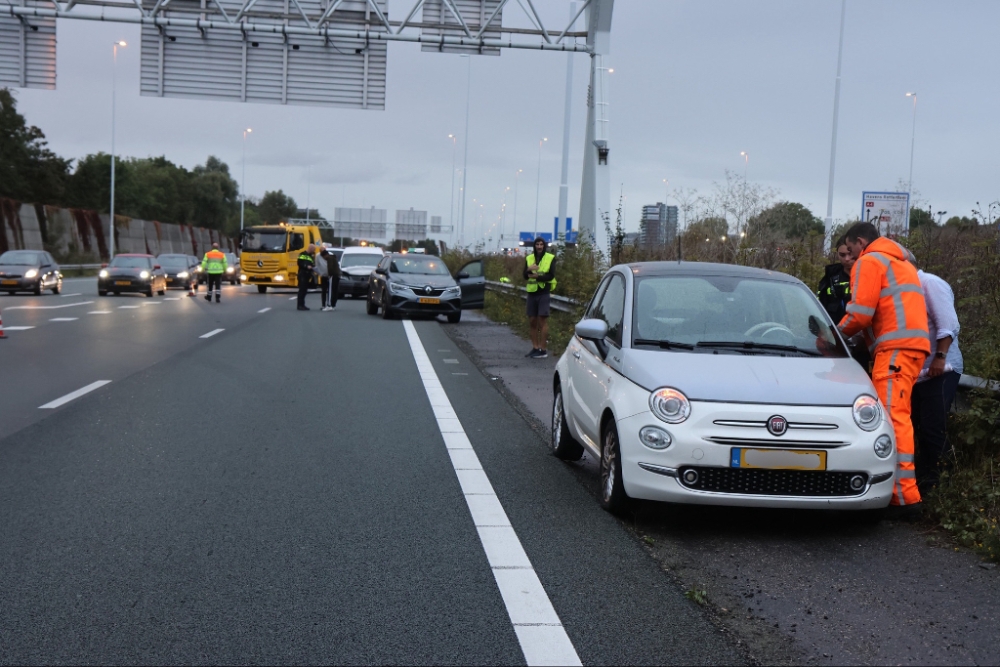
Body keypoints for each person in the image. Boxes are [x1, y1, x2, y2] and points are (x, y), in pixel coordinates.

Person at [838, 222, 930, 512]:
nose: (850, 256)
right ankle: (902, 493)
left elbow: (861, 314)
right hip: (911, 349)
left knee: (893, 420)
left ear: (861, 241)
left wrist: (834, 336)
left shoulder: (870, 261)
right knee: (899, 417)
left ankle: (904, 497)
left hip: (895, 351)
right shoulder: (899, 263)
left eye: (851, 249)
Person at [908, 259, 963, 494]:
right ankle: (926, 477)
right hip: (917, 372)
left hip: (941, 369)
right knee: (919, 427)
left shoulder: (930, 284)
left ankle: (942, 484)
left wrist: (940, 357)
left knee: (932, 427)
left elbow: (948, 325)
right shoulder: (906, 290)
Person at [523, 237, 557, 359]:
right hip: (532, 293)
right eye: (537, 244)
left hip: (544, 292)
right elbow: (525, 276)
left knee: (542, 320)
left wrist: (537, 276)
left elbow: (551, 275)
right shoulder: (529, 258)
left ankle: (543, 349)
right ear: (534, 246)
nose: (539, 246)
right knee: (532, 321)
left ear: (544, 246)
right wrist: (528, 269)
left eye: (541, 244)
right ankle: (535, 347)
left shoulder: (550, 258)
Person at [817, 236, 854, 323]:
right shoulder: (830, 277)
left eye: (850, 254)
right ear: (837, 253)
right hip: (835, 332)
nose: (847, 259)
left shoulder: (867, 275)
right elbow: (820, 308)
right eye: (842, 255)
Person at [296, 243, 316, 311]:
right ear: (310, 248)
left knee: (304, 290)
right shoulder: (302, 254)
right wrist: (306, 266)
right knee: (302, 290)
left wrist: (313, 267)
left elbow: (312, 264)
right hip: (302, 274)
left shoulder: (311, 256)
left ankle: (303, 305)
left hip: (307, 274)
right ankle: (300, 305)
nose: (314, 251)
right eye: (313, 249)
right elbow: (299, 263)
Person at [321, 247, 341, 312]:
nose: (324, 259)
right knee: (335, 290)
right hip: (337, 275)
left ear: (325, 255)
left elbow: (330, 268)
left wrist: (329, 275)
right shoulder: (333, 257)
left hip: (333, 276)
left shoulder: (329, 259)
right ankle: (333, 305)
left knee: (330, 291)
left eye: (323, 257)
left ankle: (329, 305)